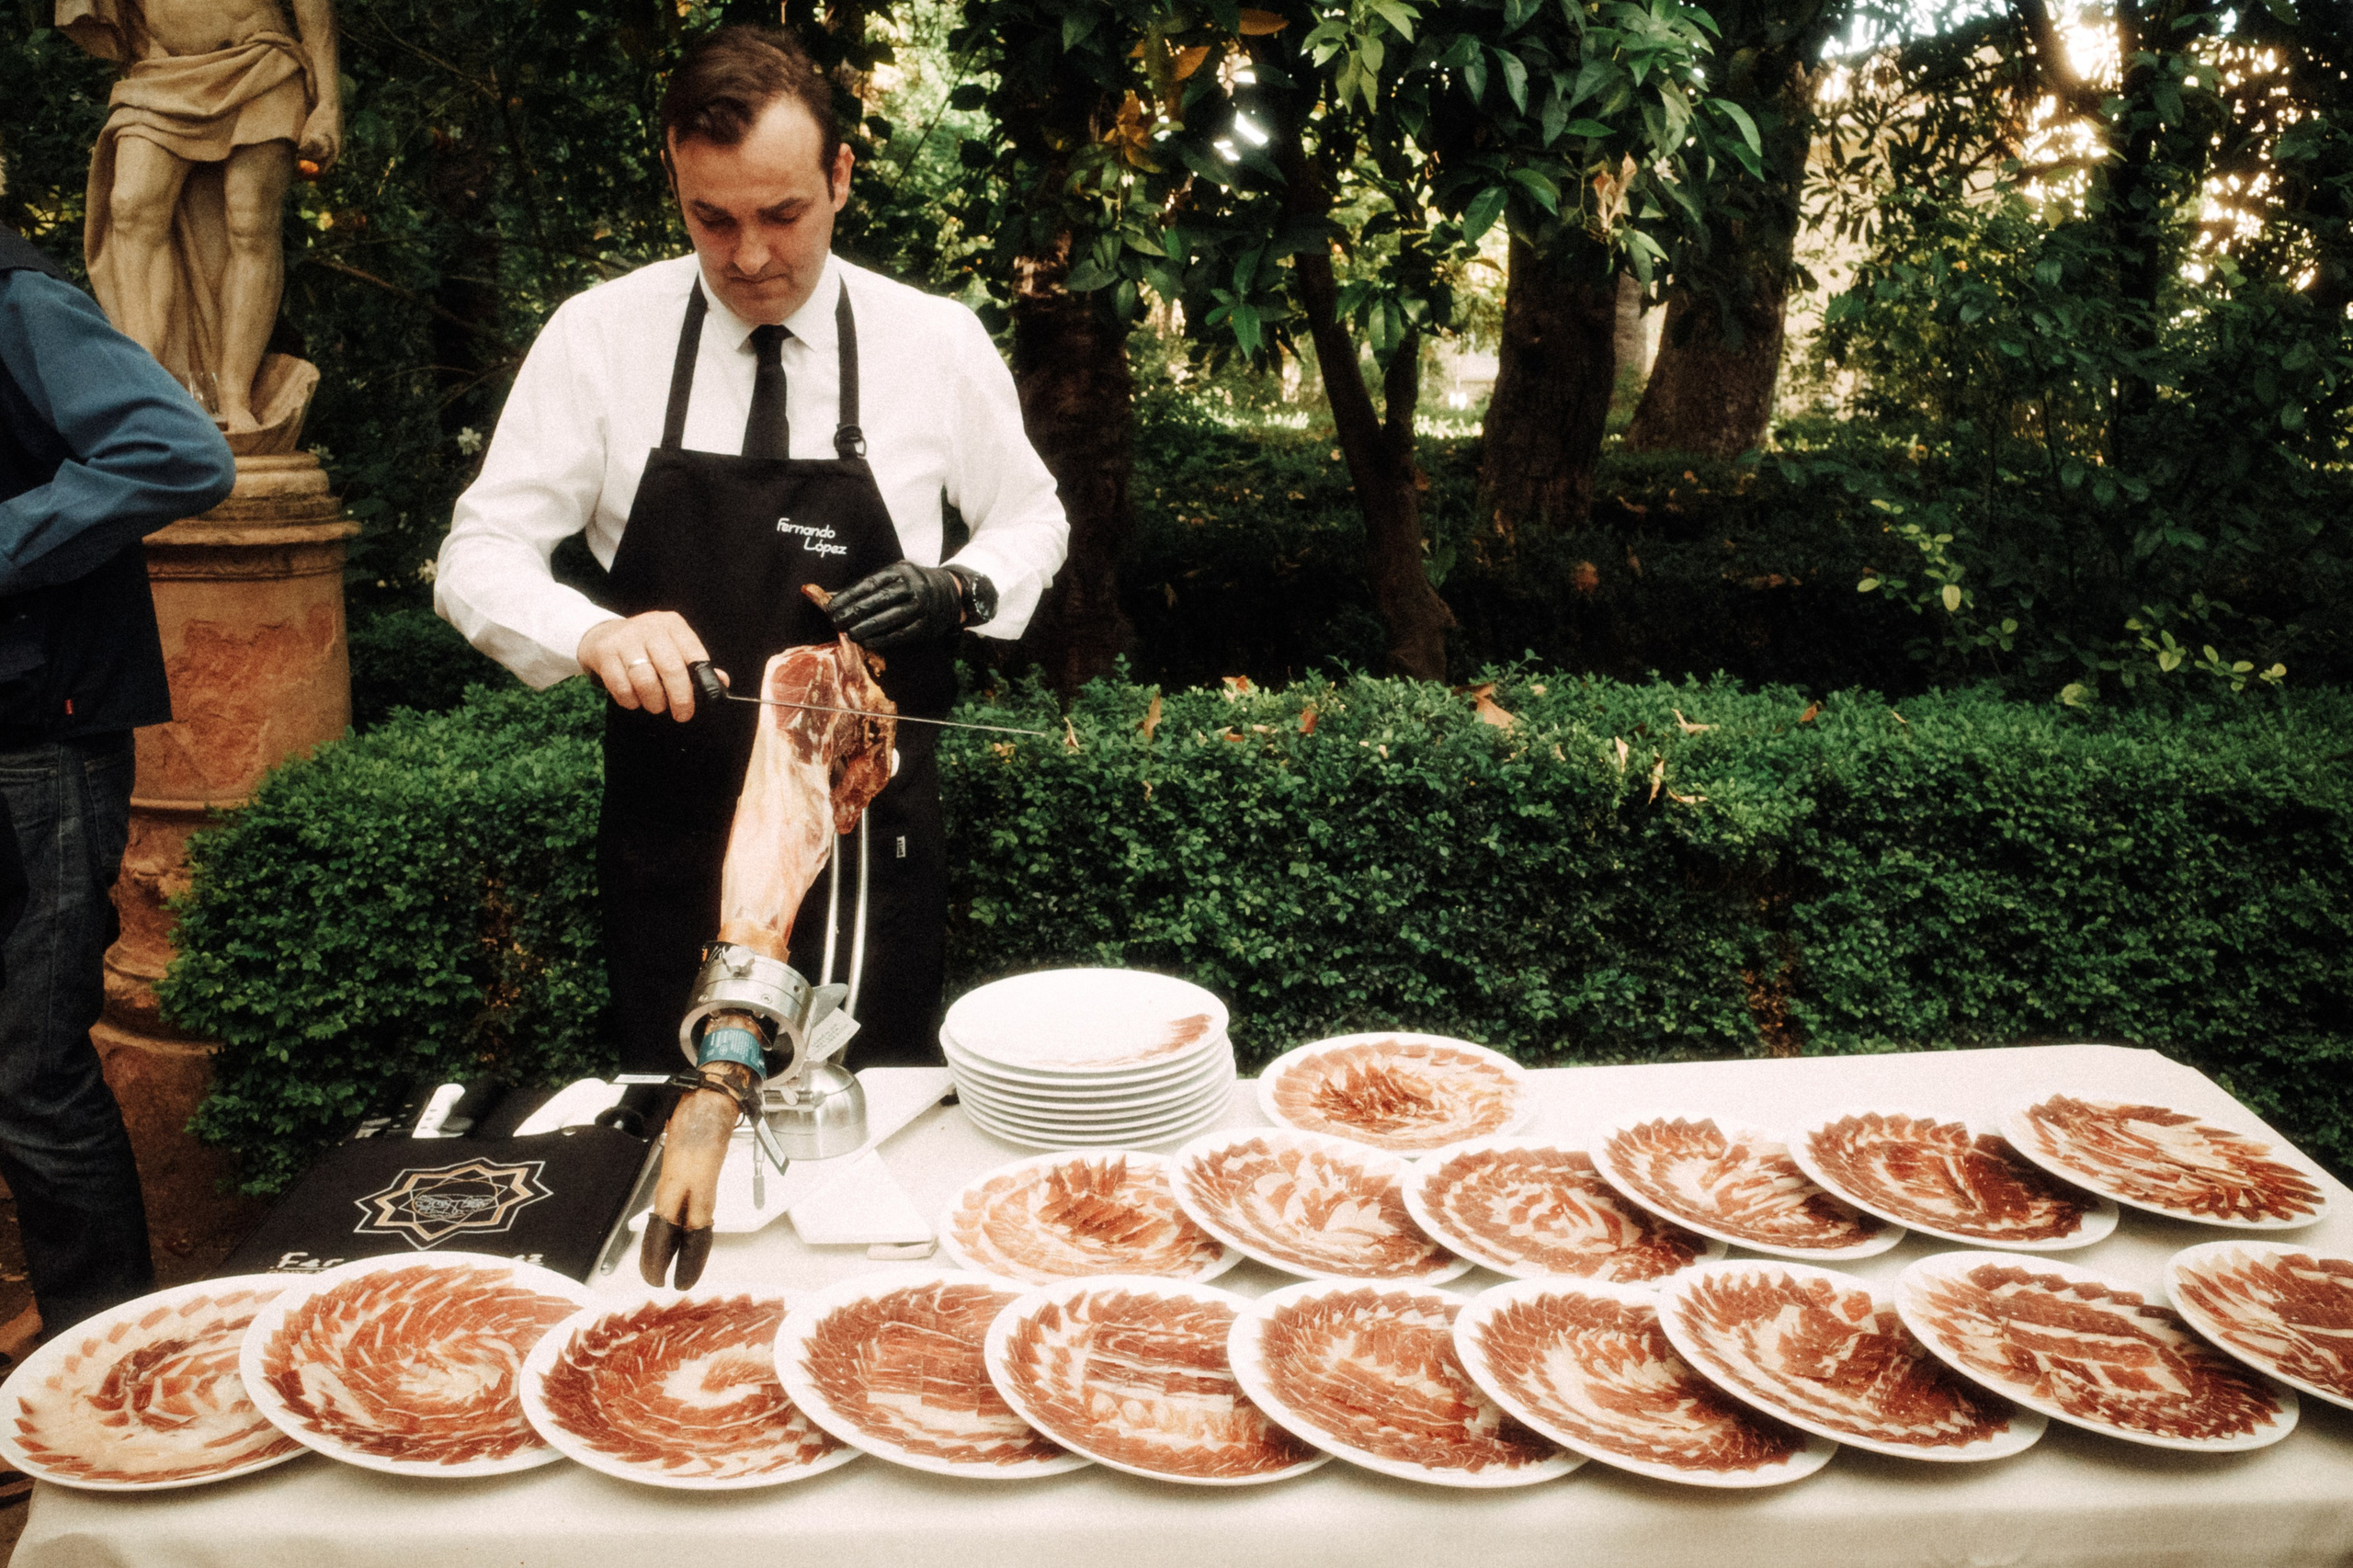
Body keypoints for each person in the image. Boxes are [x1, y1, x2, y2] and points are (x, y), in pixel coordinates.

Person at [437, 24, 1067, 1077]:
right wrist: (593, 630)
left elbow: (1034, 517)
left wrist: (959, 583)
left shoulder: (934, 340)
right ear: (676, 183)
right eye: (711, 220)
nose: (751, 257)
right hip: (671, 841)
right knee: (684, 1133)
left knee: (871, 1134)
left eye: (783, 214)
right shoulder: (599, 337)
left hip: (869, 843)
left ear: (841, 177)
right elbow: (477, 552)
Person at [0, 218, 237, 1357]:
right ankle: (67, 1329)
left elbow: (181, 454)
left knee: (30, 1073)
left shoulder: (19, 299)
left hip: (37, 742)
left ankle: (108, 1366)